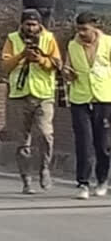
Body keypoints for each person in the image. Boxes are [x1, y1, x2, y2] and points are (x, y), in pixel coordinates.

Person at [1, 9, 60, 194]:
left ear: (40, 25)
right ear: (22, 24)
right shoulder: (12, 39)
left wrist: (41, 59)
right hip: (19, 95)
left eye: (34, 24)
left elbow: (57, 63)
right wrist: (22, 56)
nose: (31, 28)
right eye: (28, 24)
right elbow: (5, 65)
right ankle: (26, 179)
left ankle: (44, 168)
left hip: (43, 94)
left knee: (45, 134)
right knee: (22, 140)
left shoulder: (49, 38)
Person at [63, 12, 111, 200]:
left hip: (104, 98)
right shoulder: (72, 45)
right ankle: (83, 183)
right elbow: (67, 68)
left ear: (95, 26)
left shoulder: (108, 42)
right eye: (79, 29)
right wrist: (68, 74)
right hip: (80, 99)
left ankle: (102, 180)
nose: (81, 33)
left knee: (103, 144)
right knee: (83, 142)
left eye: (85, 29)